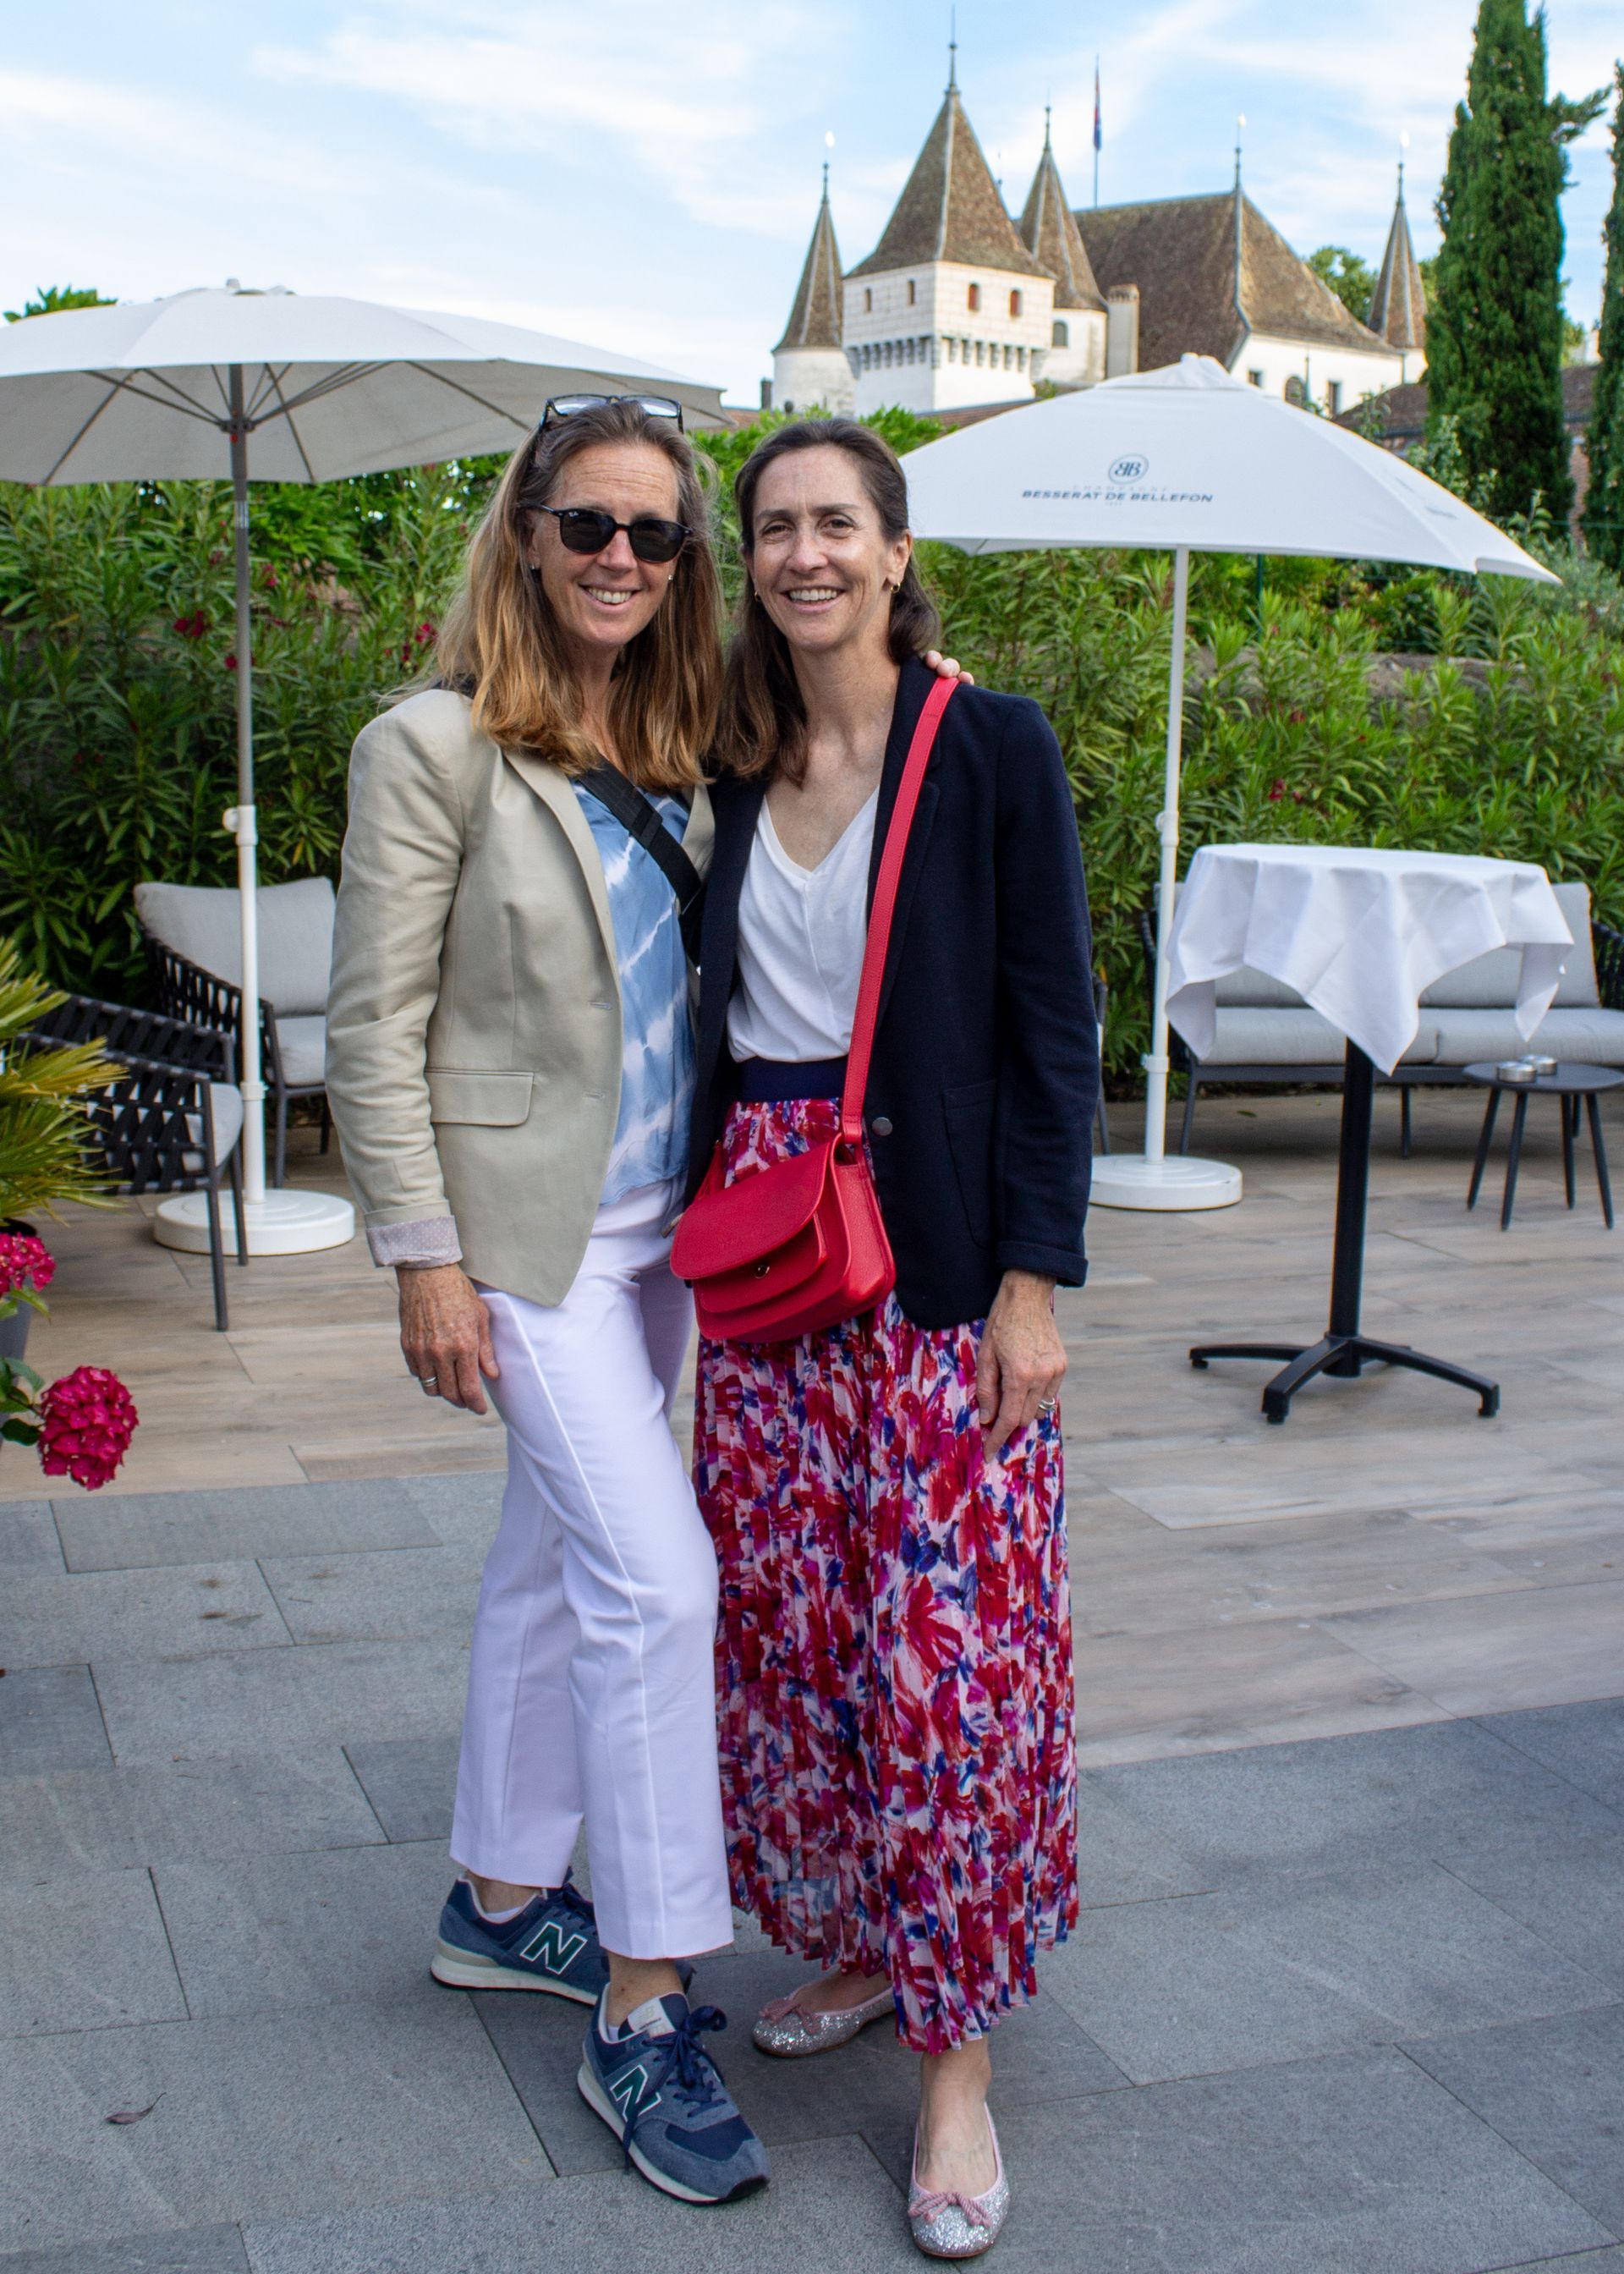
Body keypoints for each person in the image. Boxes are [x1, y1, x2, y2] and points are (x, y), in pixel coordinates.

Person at [324, 394, 771, 2207]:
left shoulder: (684, 735)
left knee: (548, 1559)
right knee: (659, 1585)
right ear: (524, 532)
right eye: (588, 525)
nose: (618, 560)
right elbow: (370, 1025)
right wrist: (420, 1253)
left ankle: (504, 1895)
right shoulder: (430, 746)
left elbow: (855, 746)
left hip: (674, 1228)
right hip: (529, 1238)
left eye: (655, 537)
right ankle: (646, 2002)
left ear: (687, 567)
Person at [687, 417, 1098, 2259]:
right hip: (767, 1253)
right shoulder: (726, 753)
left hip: (927, 1261)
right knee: (797, 1625)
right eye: (774, 528)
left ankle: (957, 2068)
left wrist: (1034, 1278)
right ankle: (867, 1931)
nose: (804, 555)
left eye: (836, 523)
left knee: (948, 1654)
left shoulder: (986, 743)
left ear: (898, 547)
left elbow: (1055, 1022)